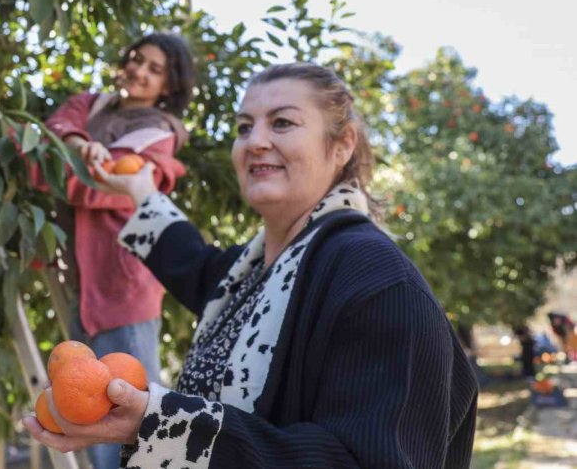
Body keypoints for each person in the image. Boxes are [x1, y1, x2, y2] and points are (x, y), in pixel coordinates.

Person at [25, 63, 479, 468]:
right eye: (244, 127)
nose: (255, 141)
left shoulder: (376, 280)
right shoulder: (255, 274)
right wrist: (140, 189)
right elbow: (193, 263)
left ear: (342, 145)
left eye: (282, 122)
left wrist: (163, 424)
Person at [38, 33, 195, 469]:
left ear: (168, 85)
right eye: (136, 59)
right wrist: (76, 147)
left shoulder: (157, 134)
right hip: (82, 284)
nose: (139, 71)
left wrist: (57, 164)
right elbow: (53, 133)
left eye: (154, 69)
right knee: (91, 418)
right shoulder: (92, 105)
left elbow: (93, 185)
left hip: (123, 289)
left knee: (131, 424)